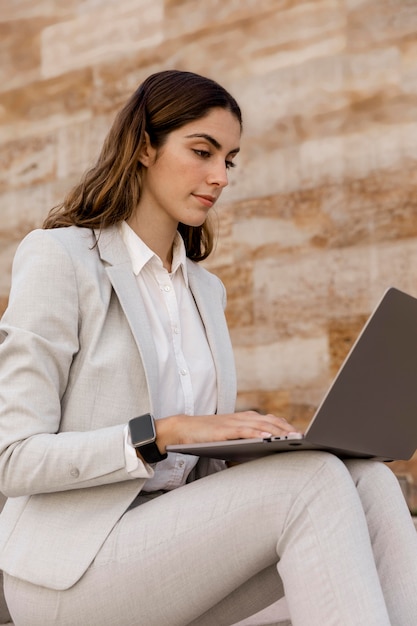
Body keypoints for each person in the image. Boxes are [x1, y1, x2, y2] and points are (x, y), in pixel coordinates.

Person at [0, 69, 416, 626]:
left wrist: (269, 443)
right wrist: (165, 432)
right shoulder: (61, 259)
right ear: (144, 146)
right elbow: (15, 457)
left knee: (369, 482)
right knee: (311, 485)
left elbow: (203, 467)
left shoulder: (205, 290)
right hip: (73, 568)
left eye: (230, 159)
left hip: (174, 540)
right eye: (203, 151)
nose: (220, 176)